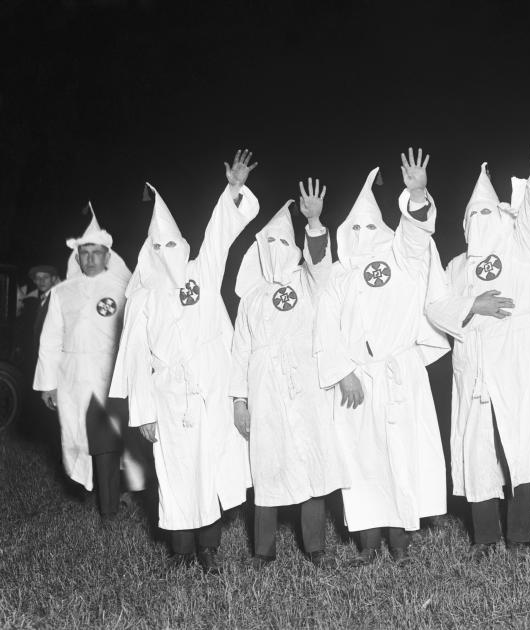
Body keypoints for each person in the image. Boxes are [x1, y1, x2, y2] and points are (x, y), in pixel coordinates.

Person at [425, 133, 530, 557]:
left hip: (516, 359)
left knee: (518, 445)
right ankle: (485, 537)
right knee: (478, 451)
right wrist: (474, 303)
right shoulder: (455, 265)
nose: (482, 220)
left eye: (489, 212)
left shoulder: (518, 249)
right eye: (474, 214)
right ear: (464, 221)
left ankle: (521, 536)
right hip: (474, 364)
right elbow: (435, 308)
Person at [109, 150, 259, 573]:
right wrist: (143, 413)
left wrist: (233, 190)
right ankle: (180, 551)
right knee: (174, 473)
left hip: (207, 393)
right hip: (169, 397)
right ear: (150, 251)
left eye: (174, 244)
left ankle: (208, 549)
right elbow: (137, 359)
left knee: (207, 468)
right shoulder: (142, 298)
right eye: (161, 247)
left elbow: (219, 235)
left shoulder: (202, 274)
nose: (169, 252)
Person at [314, 149, 448, 565]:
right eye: (357, 226)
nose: (364, 231)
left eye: (372, 224)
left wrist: (418, 192)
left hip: (400, 374)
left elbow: (415, 234)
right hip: (358, 380)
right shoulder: (339, 274)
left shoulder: (401, 258)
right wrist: (342, 373)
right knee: (361, 461)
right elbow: (325, 328)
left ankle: (402, 544)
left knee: (402, 456)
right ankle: (368, 546)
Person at [231, 179, 349, 569]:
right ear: (259, 251)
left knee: (310, 457)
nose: (278, 251)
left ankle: (315, 547)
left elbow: (320, 264)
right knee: (267, 462)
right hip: (264, 387)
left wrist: (314, 222)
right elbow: (241, 351)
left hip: (305, 383)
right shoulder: (251, 297)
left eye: (285, 244)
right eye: (271, 244)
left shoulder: (306, 282)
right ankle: (263, 551)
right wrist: (240, 401)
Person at [33, 207, 147, 522]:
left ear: (108, 256)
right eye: (85, 253)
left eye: (97, 253)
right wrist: (48, 384)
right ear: (78, 257)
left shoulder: (124, 288)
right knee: (79, 439)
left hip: (110, 377)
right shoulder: (62, 293)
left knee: (108, 443)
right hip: (72, 378)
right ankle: (107, 493)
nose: (91, 259)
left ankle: (109, 508)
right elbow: (50, 339)